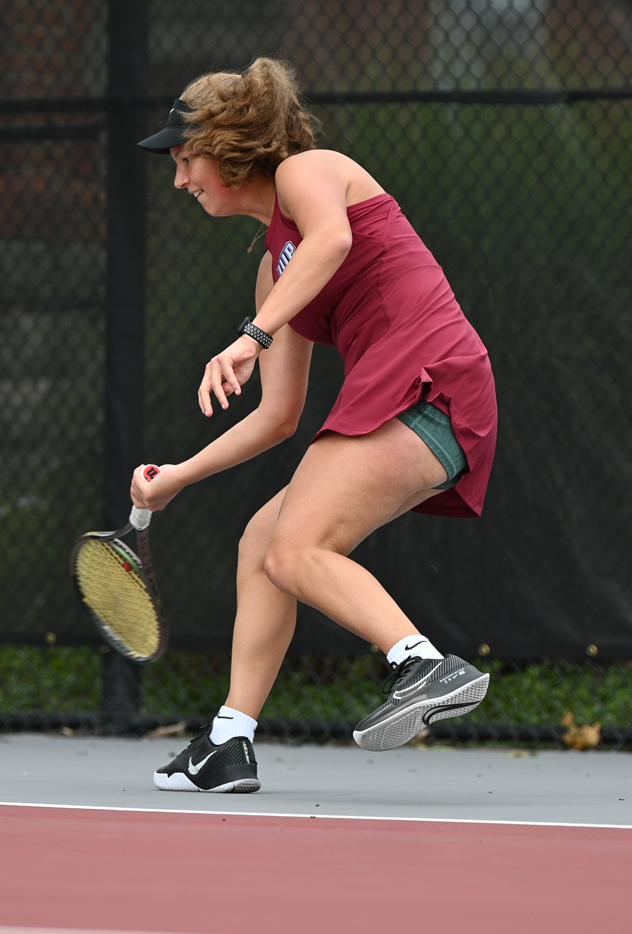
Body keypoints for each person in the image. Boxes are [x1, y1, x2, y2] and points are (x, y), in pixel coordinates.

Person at [132, 58, 499, 795]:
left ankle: (422, 665)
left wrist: (250, 336)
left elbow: (332, 240)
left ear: (229, 145)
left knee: (298, 547)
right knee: (264, 543)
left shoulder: (310, 172)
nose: (179, 181)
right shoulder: (275, 272)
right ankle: (229, 743)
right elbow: (277, 416)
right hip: (405, 393)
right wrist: (178, 478)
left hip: (430, 379)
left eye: (184, 160)